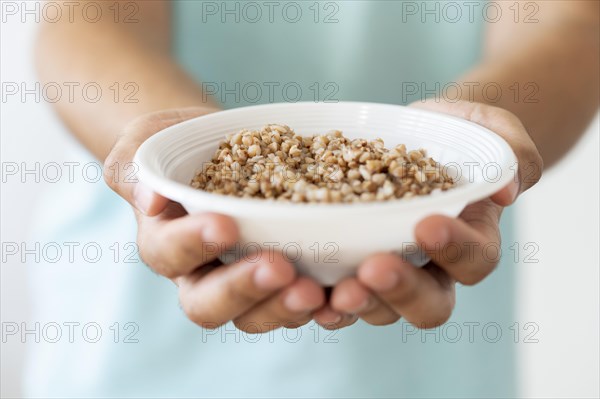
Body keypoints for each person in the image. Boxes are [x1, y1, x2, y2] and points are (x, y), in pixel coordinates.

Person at [31, 0, 597, 397]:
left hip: (426, 359)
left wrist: (469, 146)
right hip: (132, 344)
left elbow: (573, 20)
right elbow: (84, 15)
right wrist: (168, 151)